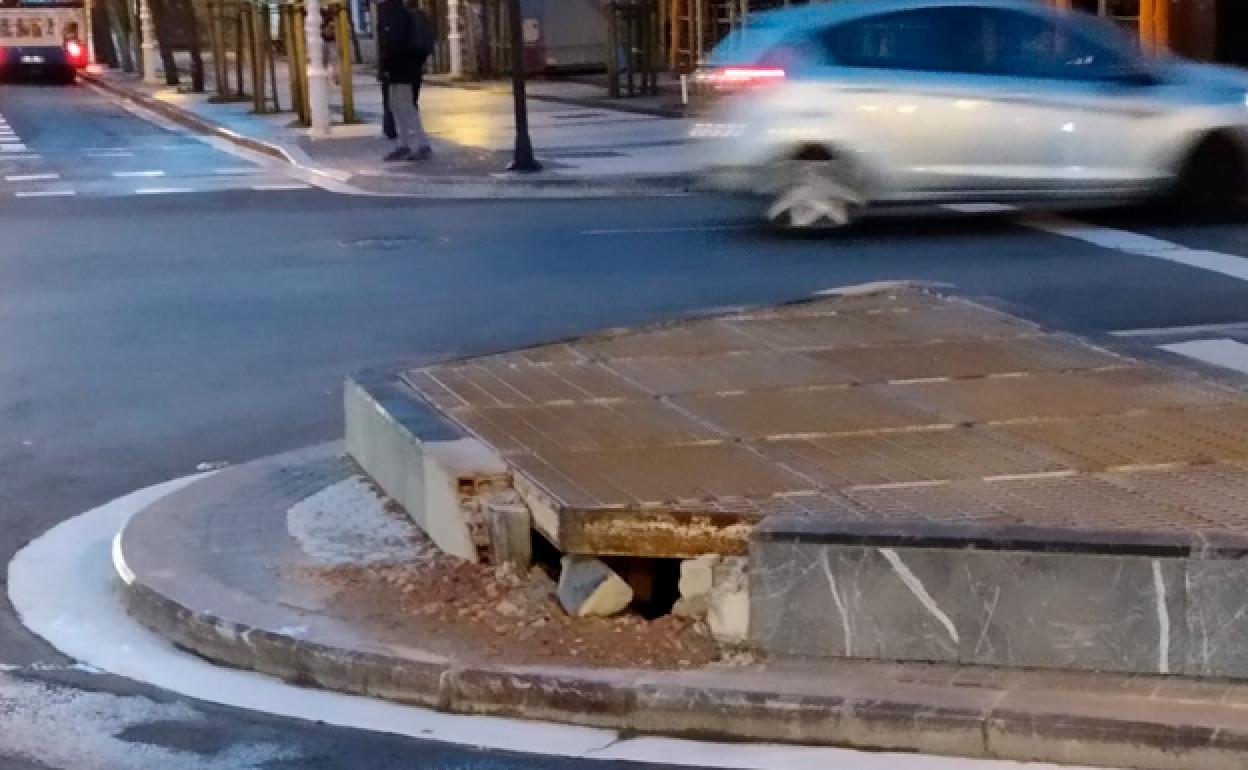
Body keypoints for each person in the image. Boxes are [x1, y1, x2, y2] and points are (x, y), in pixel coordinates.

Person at [377, 0, 434, 161]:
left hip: (401, 69)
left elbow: (393, 43)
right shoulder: (398, 12)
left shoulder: (394, 14)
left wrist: (386, 66)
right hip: (405, 67)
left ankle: (418, 145)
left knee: (404, 106)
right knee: (397, 105)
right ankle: (407, 144)